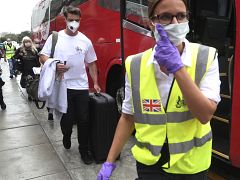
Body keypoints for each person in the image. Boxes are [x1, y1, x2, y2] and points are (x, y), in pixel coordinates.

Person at [97, 0, 221, 179]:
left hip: (191, 166)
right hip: (150, 165)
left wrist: (178, 69)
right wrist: (109, 161)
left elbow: (205, 114)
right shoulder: (135, 64)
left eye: (181, 16)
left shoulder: (207, 56)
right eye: (166, 17)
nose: (175, 23)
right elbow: (127, 116)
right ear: (151, 22)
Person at [39, 6, 101, 165]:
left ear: (81, 20)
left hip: (81, 86)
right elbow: (43, 56)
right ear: (65, 20)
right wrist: (55, 64)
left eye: (77, 20)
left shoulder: (85, 40)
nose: (74, 23)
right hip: (62, 86)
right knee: (67, 120)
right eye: (71, 19)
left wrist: (95, 83)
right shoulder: (56, 38)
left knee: (84, 119)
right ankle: (66, 135)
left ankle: (83, 150)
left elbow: (92, 63)